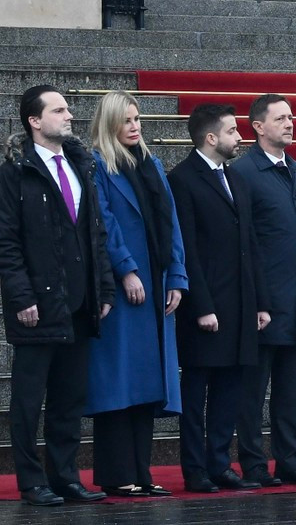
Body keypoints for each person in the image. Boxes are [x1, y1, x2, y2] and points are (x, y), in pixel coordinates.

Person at [1, 87, 116, 506]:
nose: (70, 116)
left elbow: (94, 234)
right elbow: (7, 241)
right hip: (37, 305)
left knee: (69, 400)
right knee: (29, 402)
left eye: (69, 108)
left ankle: (66, 477)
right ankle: (32, 482)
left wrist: (103, 287)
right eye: (60, 110)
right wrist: (21, 296)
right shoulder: (16, 171)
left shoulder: (80, 165)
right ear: (34, 120)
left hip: (80, 304)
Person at [84, 90, 187, 498]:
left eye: (137, 118)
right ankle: (116, 473)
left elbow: (170, 222)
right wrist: (126, 270)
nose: (135, 126)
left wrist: (177, 275)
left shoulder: (152, 163)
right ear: (109, 123)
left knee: (146, 385)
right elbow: (102, 222)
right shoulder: (96, 165)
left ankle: (141, 472)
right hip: (125, 291)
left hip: (157, 284)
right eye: (127, 120)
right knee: (119, 384)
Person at [235, 93, 296, 487]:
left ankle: (290, 460)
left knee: (291, 389)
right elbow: (246, 242)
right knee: (253, 390)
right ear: (258, 126)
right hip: (265, 300)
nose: (290, 124)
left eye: (291, 117)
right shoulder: (243, 172)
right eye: (280, 118)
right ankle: (254, 465)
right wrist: (257, 297)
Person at [168, 104, 264, 493]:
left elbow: (250, 245)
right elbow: (187, 248)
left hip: (240, 306)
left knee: (230, 390)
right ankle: (195, 469)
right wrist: (202, 306)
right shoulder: (183, 180)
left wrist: (261, 302)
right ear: (211, 138)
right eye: (231, 131)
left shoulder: (236, 179)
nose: (238, 136)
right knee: (196, 395)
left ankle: (220, 463)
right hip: (205, 310)